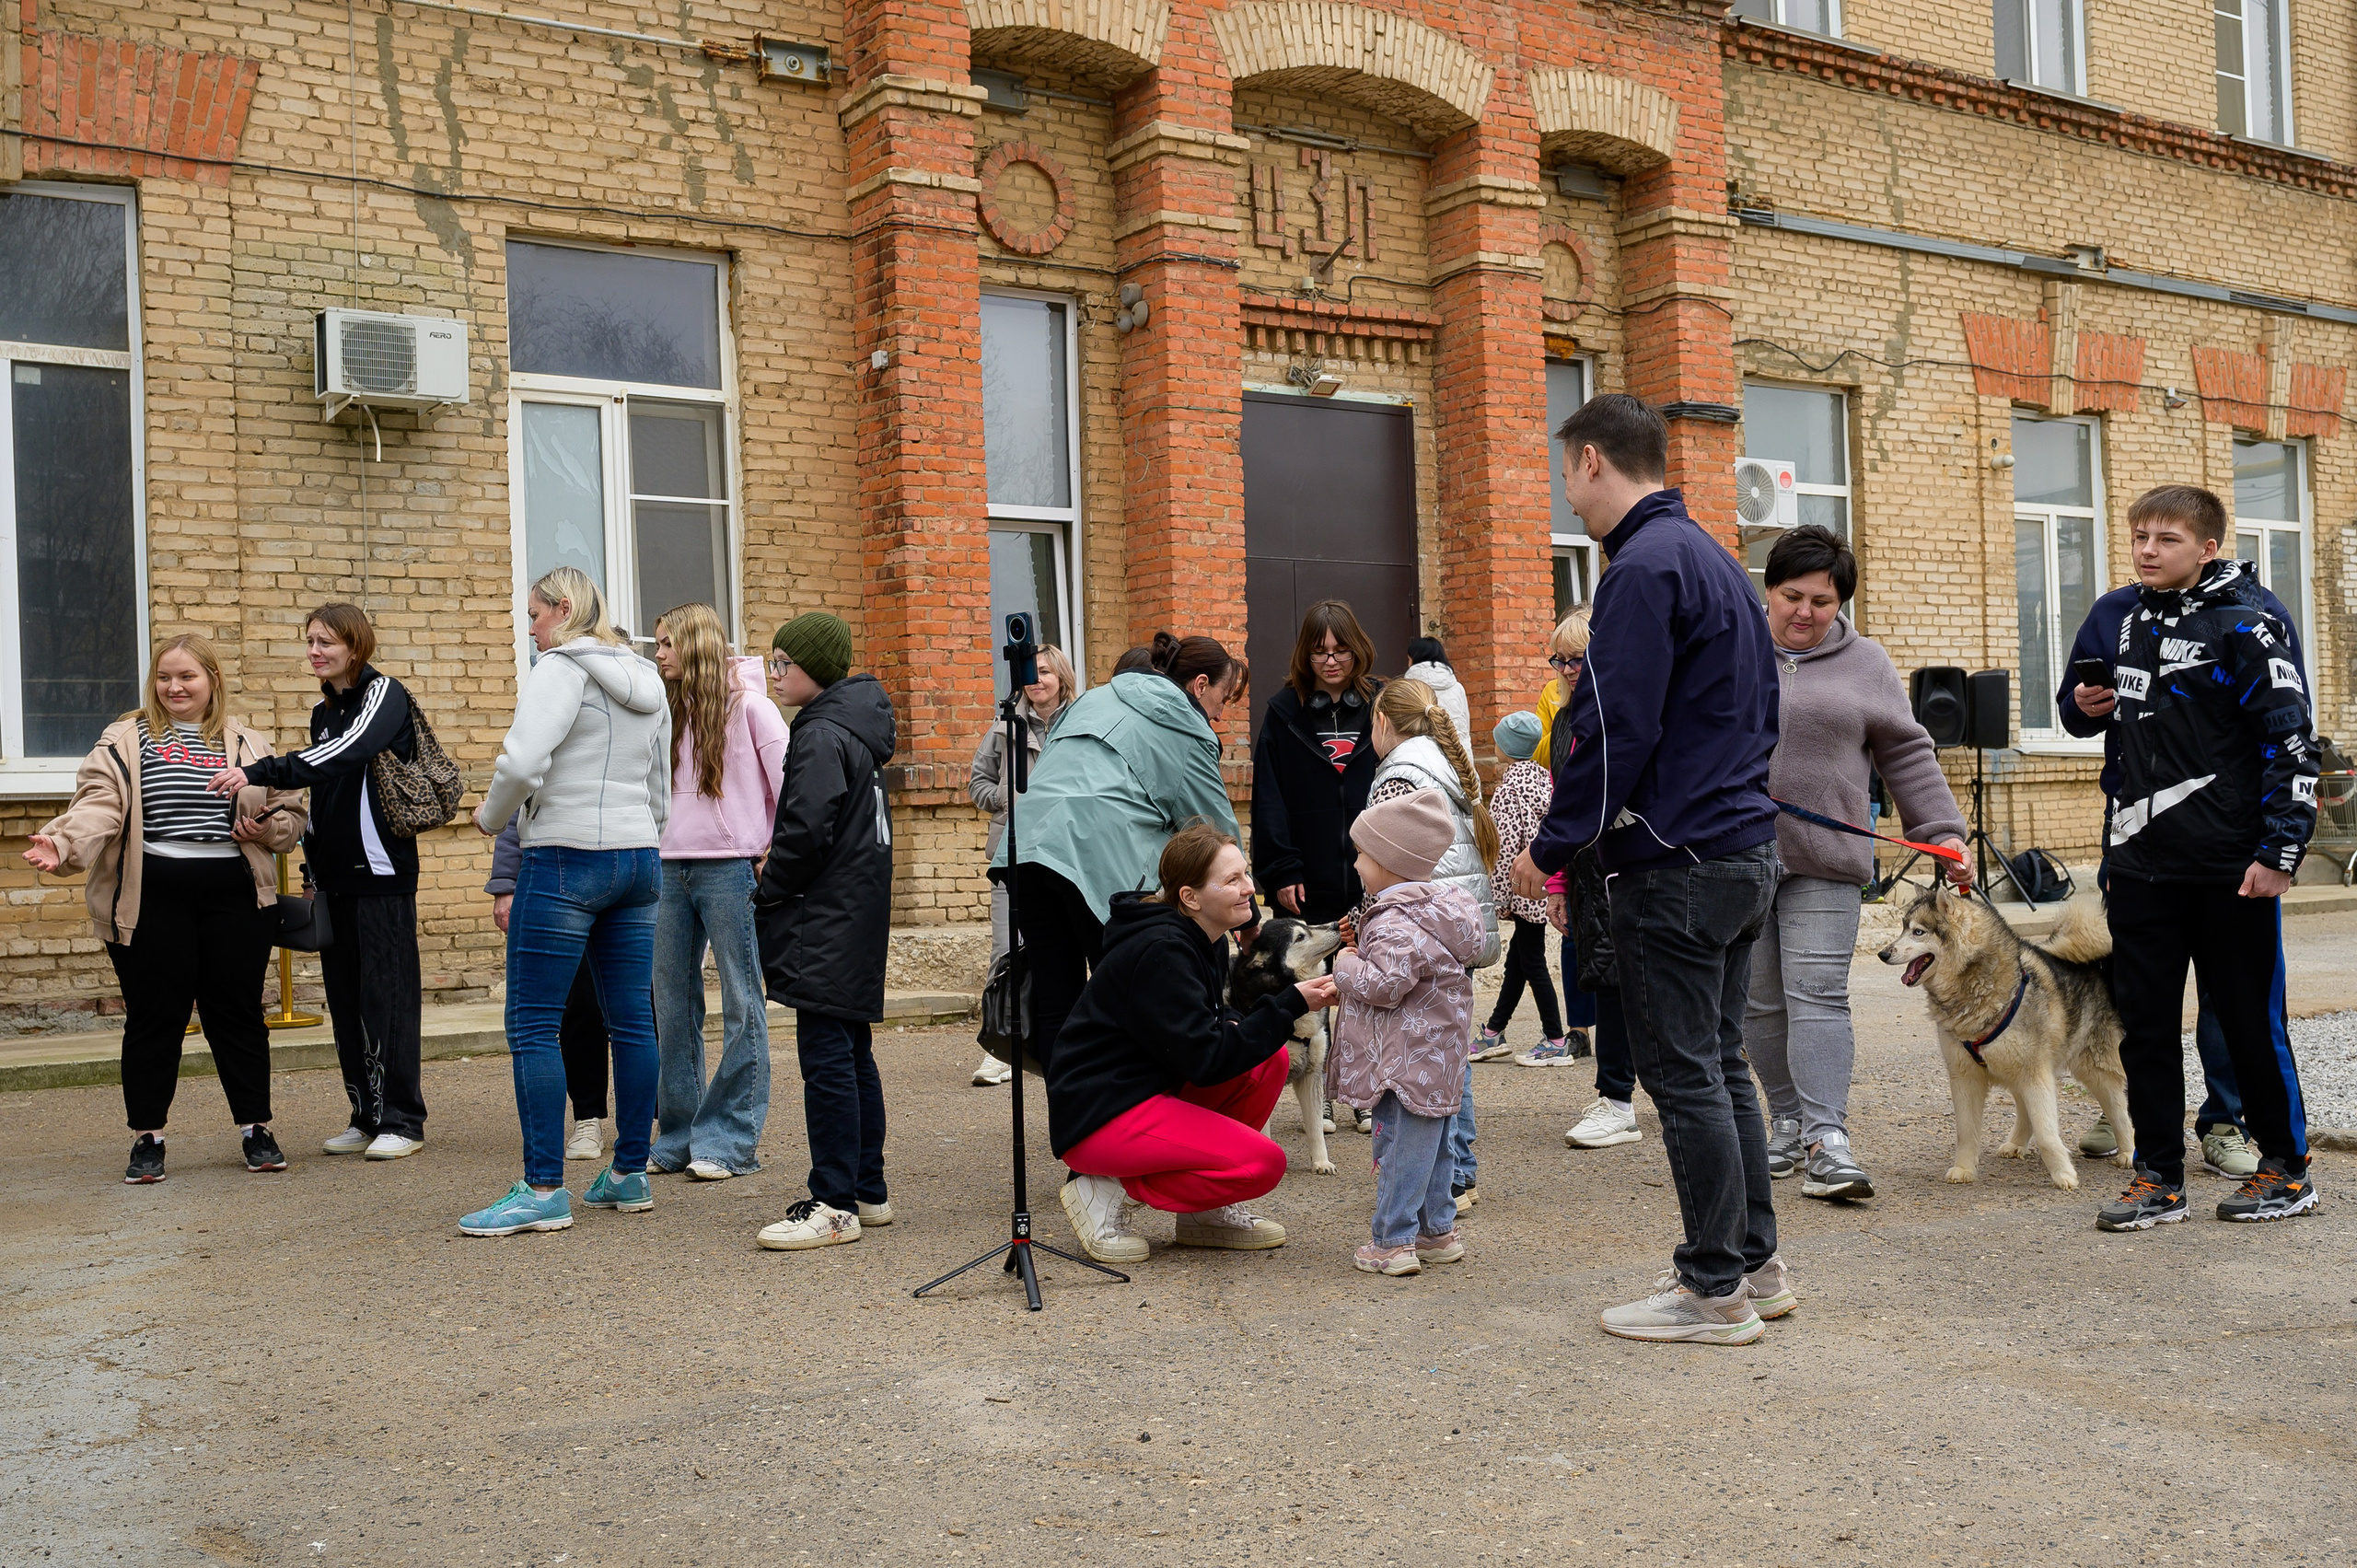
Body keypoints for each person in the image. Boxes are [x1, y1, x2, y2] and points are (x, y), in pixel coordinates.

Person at [1512, 393, 1792, 1345]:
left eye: (1565, 471)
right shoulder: (1713, 557)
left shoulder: (1641, 568)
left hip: (1677, 863)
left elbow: (1612, 728)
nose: (1566, 492)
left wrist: (1549, 846)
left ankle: (1713, 1289)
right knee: (1718, 1063)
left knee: (1684, 1076)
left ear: (1592, 459)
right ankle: (1754, 1263)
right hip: (1739, 848)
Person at [2085, 486, 2320, 1231]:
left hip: (2232, 869)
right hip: (2141, 867)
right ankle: (2158, 1178)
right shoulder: (2128, 620)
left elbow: (2291, 742)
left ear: (2208, 547)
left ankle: (2287, 1170)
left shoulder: (2248, 623)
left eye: (2167, 539)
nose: (2148, 550)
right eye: (2140, 536)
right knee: (2146, 1029)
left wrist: (2281, 850)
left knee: (2249, 1025)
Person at [28, 634, 308, 1183]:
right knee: (156, 1017)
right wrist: (63, 843)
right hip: (151, 897)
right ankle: (147, 1138)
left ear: (212, 680)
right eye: (164, 677)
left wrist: (266, 828)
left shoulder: (248, 743)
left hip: (235, 897)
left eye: (186, 677)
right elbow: (99, 804)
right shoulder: (127, 739)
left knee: (237, 1013)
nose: (174, 687)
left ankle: (256, 1128)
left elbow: (291, 815)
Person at [1746, 526, 1971, 1204]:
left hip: (1827, 858)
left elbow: (1906, 751)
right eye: (1793, 596)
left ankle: (1826, 1139)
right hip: (1738, 855)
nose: (1805, 612)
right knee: (1757, 999)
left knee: (1816, 992)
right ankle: (1785, 1119)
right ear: (1768, 589)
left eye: (1823, 601)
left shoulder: (1866, 662)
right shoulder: (1730, 645)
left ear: (1840, 602)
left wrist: (1943, 833)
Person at [460, 567, 671, 1237]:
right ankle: (630, 1173)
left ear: (565, 607)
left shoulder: (559, 670)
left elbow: (521, 764)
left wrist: (492, 818)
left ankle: (543, 1187)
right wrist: (644, 835)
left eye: (534, 614)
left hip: (564, 858)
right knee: (632, 1020)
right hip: (637, 857)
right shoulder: (648, 677)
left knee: (532, 1024)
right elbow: (660, 783)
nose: (530, 629)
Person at [1051, 823, 1337, 1263]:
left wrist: (1273, 1012)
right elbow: (1206, 1060)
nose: (1249, 888)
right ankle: (1103, 1186)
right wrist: (1288, 1005)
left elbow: (1212, 1031)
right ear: (1190, 897)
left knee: (1270, 1060)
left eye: (1246, 874)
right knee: (1261, 1164)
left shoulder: (1203, 938)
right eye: (1232, 880)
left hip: (1145, 1091)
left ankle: (1204, 1214)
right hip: (1101, 1114)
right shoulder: (1163, 949)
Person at [210, 603, 428, 1161]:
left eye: (325, 642)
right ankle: (365, 1116)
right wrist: (311, 867)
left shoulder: (384, 694)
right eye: (309, 641)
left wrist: (258, 771)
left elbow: (342, 755)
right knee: (348, 1002)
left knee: (388, 999)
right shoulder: (321, 711)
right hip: (335, 879)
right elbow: (326, 792)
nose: (314, 652)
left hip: (381, 875)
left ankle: (402, 1120)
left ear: (355, 646)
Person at [1000, 631, 1245, 1072]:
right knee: (1131, 989)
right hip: (1092, 857)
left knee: (1057, 1000)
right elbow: (1214, 832)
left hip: (1028, 848)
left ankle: (1069, 1113)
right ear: (1200, 685)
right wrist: (1247, 910)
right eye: (1223, 699)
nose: (1220, 714)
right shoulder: (1188, 728)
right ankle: (1128, 1105)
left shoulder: (1094, 698)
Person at [752, 612, 900, 1251]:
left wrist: (770, 883)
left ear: (813, 667)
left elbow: (807, 830)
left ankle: (835, 1203)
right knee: (850, 1049)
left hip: (825, 914)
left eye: (784, 662)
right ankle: (867, 1188)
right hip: (854, 910)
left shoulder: (819, 732)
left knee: (828, 1059)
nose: (774, 673)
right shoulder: (854, 727)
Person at [647, 602, 789, 1181]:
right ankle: (679, 1135)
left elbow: (790, 786)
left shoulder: (754, 708)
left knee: (741, 1000)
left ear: (696, 645)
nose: (658, 654)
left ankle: (729, 1141)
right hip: (667, 868)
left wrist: (771, 849)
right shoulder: (663, 710)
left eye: (666, 643)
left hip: (731, 869)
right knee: (671, 1003)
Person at [1329, 790, 1486, 1275]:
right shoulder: (1439, 913)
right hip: (1437, 1057)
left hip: (1401, 1060)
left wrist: (1345, 966)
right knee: (1434, 1145)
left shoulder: (1396, 921)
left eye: (1362, 854)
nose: (1356, 864)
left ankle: (1392, 1241)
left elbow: (1384, 985)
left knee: (1397, 1147)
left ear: (1388, 863)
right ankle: (1436, 1231)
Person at [1359, 678, 1500, 1204]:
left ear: (1382, 721)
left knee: (1426, 1059)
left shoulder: (1399, 773)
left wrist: (1366, 923)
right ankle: (1457, 1171)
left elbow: (1386, 862)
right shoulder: (1444, 762)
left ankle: (1449, 1176)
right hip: (1450, 926)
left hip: (1417, 932)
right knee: (1449, 1048)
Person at [967, 643, 1078, 1086]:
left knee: (1068, 953)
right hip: (1013, 855)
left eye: (1045, 672)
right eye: (1031, 672)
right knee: (1005, 952)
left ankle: (1066, 1042)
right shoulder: (1004, 727)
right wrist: (1006, 797)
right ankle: (1002, 1048)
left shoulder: (1081, 723)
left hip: (1069, 855)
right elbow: (977, 783)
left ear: (1062, 677)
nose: (1037, 681)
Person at [486, 815, 614, 1162]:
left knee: (640, 1009)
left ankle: (658, 1123)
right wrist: (505, 883)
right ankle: (588, 1117)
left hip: (627, 869)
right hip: (560, 878)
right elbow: (516, 811)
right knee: (580, 1004)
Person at [1251, 601, 1382, 923]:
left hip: (1377, 885)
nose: (1331, 661)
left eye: (1341, 650)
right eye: (1320, 652)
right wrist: (1282, 870)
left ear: (1357, 648)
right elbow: (1268, 801)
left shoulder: (1383, 705)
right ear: (1305, 655)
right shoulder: (1282, 714)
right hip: (1304, 893)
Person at [1480, 709, 1574, 1063]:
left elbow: (1504, 848)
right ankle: (1493, 1032)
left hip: (1522, 887)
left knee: (1532, 963)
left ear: (1505, 748)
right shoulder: (1544, 779)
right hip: (1546, 884)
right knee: (1518, 961)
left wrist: (1499, 897)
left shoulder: (1508, 790)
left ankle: (1556, 1039)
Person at [1400, 635, 1474, 759]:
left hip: (1422, 758)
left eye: (1409, 659)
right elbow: (1465, 724)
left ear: (1414, 659)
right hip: (1459, 757)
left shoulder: (1407, 689)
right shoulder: (1457, 687)